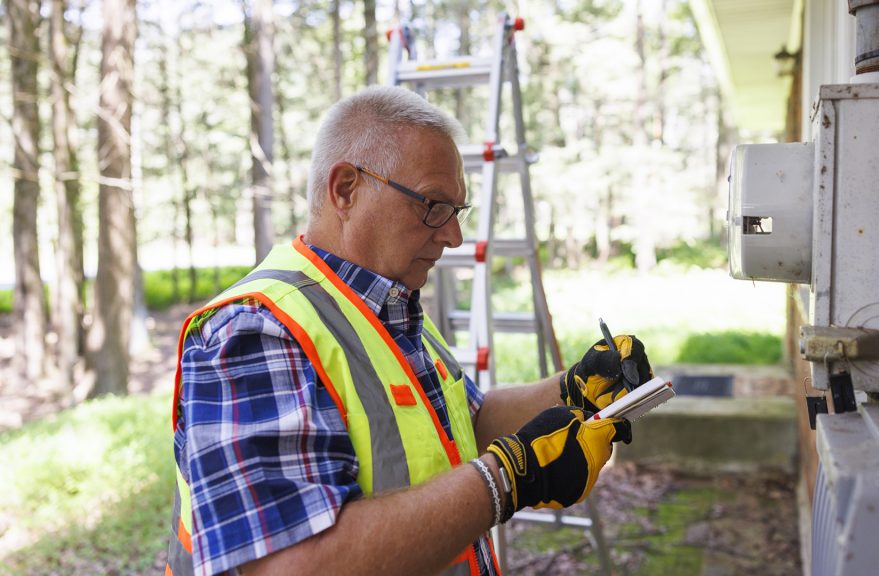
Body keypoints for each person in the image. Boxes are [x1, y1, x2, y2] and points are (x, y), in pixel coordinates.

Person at [165, 86, 653, 576]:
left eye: (456, 211)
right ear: (346, 190)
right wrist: (505, 480)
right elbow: (292, 565)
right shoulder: (256, 329)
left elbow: (462, 427)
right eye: (433, 204)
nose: (453, 236)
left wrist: (571, 390)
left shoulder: (386, 301)